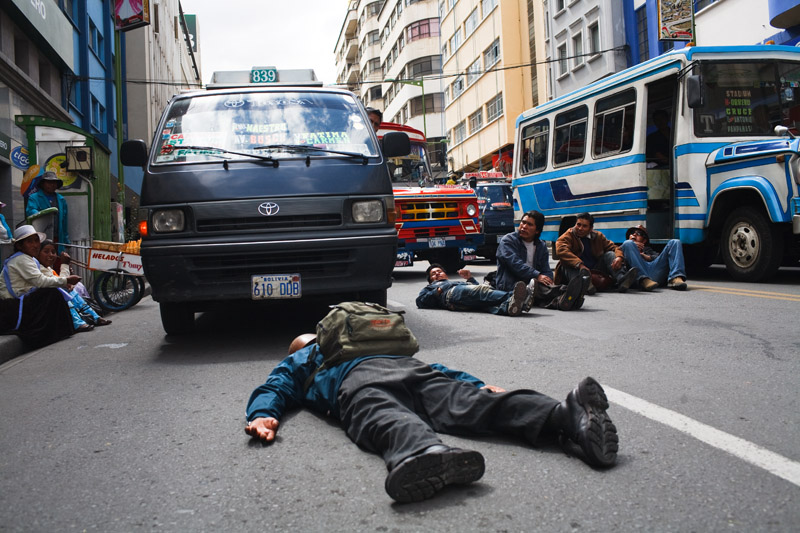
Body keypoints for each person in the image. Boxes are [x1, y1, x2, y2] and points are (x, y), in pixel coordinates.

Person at [245, 333, 619, 503]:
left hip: (361, 382)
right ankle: (564, 414)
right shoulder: (380, 343)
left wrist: (262, 415)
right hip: (412, 370)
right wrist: (479, 384)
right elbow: (443, 370)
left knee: (385, 415)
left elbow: (276, 385)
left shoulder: (308, 358)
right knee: (472, 404)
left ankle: (423, 451)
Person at [0, 225, 78, 348]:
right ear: (20, 246)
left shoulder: (29, 259)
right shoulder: (21, 259)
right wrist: (66, 279)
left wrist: (65, 277)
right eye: (29, 242)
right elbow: (41, 281)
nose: (35, 245)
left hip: (19, 301)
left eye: (36, 241)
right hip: (13, 306)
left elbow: (50, 279)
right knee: (50, 293)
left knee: (53, 291)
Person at [495, 210, 589, 311]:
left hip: (533, 283)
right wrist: (537, 275)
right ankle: (568, 296)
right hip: (512, 284)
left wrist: (548, 280)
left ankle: (565, 300)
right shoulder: (508, 241)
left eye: (529, 224)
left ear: (537, 231)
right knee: (538, 290)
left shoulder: (541, 246)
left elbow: (546, 269)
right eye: (523, 222)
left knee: (543, 289)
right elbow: (515, 264)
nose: (524, 226)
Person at [37, 239, 112, 331]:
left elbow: (63, 282)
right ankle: (78, 323)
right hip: (44, 300)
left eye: (53, 252)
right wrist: (64, 265)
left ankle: (95, 317)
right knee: (65, 295)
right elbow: (60, 283)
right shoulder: (39, 268)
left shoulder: (48, 268)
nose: (51, 255)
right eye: (46, 252)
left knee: (73, 293)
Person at [554, 213, 638, 293]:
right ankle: (584, 284)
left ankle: (621, 280)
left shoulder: (598, 236)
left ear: (591, 228)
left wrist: (619, 257)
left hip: (595, 269)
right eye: (578, 224)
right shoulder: (567, 236)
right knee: (565, 264)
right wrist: (580, 265)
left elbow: (614, 247)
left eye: (584, 226)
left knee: (610, 255)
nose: (580, 228)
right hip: (577, 270)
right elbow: (562, 250)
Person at [415, 263, 529, 316]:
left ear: (445, 274)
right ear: (430, 280)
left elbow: (475, 288)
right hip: (450, 296)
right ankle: (517, 296)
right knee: (483, 292)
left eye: (439, 271)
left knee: (486, 304)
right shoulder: (430, 287)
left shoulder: (455, 282)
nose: (437, 274)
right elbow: (420, 301)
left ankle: (512, 307)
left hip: (461, 299)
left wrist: (469, 278)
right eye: (433, 274)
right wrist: (437, 291)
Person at [620, 225, 688, 291]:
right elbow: (613, 256)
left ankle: (676, 277)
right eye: (632, 233)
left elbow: (659, 257)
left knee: (675, 242)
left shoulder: (648, 250)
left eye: (638, 233)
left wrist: (647, 257)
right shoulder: (623, 247)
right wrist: (627, 246)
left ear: (644, 241)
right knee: (628, 243)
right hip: (637, 277)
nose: (634, 235)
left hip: (654, 272)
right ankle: (643, 280)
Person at [25, 171, 70, 253]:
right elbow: (31, 211)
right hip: (41, 236)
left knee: (57, 260)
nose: (52, 185)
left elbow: (64, 222)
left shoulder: (61, 200)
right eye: (49, 182)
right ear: (43, 184)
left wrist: (66, 240)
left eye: (54, 182)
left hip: (57, 237)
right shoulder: (34, 197)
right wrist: (40, 214)